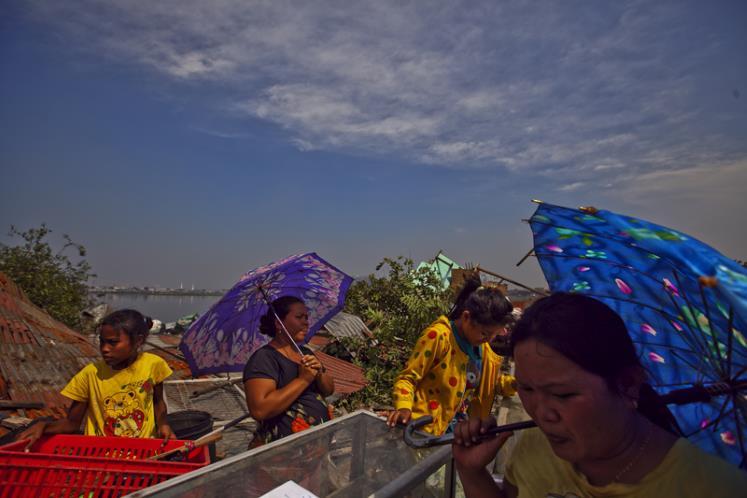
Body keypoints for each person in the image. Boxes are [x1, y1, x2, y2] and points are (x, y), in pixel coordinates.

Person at [452, 293, 747, 498]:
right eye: (526, 389)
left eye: (563, 394)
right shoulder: (535, 447)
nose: (542, 414)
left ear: (629, 384)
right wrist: (472, 471)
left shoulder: (715, 488)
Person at [16, 309, 175, 448]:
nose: (104, 349)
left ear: (138, 341)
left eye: (113, 343)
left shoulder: (153, 365)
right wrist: (42, 426)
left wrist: (163, 425)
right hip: (101, 456)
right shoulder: (90, 374)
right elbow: (72, 423)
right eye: (102, 342)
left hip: (143, 454)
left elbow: (157, 402)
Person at [387, 277, 516, 435]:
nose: (488, 340)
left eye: (493, 335)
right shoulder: (439, 337)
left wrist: (519, 383)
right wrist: (404, 407)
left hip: (453, 433)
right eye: (484, 333)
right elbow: (407, 378)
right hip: (423, 430)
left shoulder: (482, 349)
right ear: (466, 317)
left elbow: (491, 383)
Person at [243, 295, 335, 445]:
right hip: (285, 453)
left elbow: (329, 390)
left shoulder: (305, 352)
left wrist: (319, 373)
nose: (306, 322)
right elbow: (259, 410)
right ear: (279, 324)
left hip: (315, 449)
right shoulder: (264, 359)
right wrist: (303, 379)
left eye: (306, 317)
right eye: (299, 317)